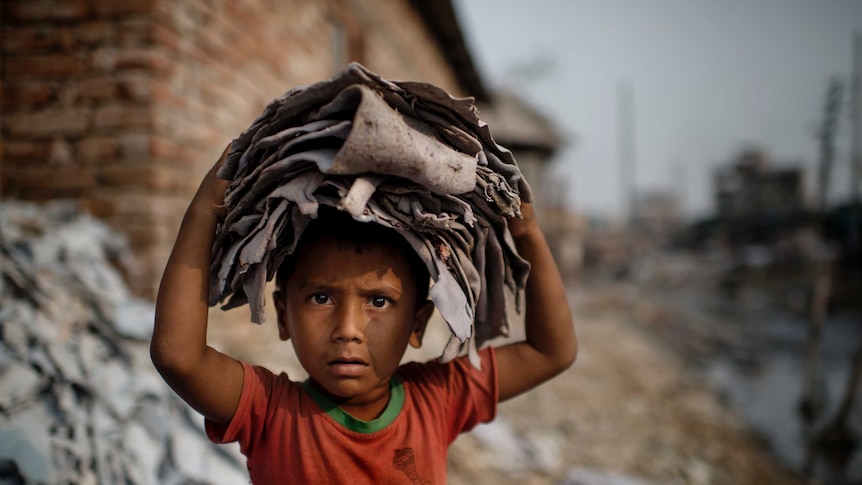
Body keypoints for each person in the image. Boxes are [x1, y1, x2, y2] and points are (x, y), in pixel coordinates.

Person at [151, 145, 577, 484]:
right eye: (321, 298)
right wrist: (205, 211)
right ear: (283, 315)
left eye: (378, 301)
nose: (348, 331)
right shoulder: (270, 412)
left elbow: (550, 351)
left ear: (417, 323)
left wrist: (527, 234)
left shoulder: (437, 400)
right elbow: (178, 357)